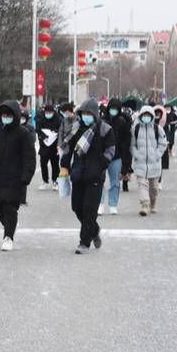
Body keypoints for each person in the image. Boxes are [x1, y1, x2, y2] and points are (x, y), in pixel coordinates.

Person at [60, 99, 115, 254]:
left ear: (95, 114)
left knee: (89, 209)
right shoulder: (76, 128)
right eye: (83, 114)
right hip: (78, 173)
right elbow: (68, 149)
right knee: (77, 207)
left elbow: (110, 150)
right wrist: (64, 165)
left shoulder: (105, 129)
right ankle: (94, 230)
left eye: (88, 114)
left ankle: (84, 242)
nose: (85, 117)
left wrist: (100, 165)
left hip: (96, 176)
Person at [0, 101, 36, 252]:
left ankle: (8, 237)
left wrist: (26, 176)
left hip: (14, 178)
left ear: (15, 115)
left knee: (10, 208)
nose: (5, 117)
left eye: (9, 115)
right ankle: (10, 224)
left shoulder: (23, 133)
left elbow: (30, 156)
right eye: (3, 115)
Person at [131, 106, 168, 216]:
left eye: (148, 115)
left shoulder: (157, 129)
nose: (146, 117)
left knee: (154, 188)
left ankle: (153, 203)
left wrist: (157, 155)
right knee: (142, 185)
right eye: (144, 115)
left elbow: (163, 143)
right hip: (140, 163)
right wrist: (137, 154)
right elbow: (132, 145)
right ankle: (144, 205)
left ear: (152, 116)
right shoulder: (135, 129)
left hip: (154, 164)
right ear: (141, 116)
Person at [100, 98, 131, 216]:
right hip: (103, 156)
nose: (113, 111)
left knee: (115, 182)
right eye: (112, 108)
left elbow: (126, 143)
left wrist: (126, 164)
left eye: (116, 109)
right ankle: (100, 203)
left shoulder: (123, 122)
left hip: (117, 156)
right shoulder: (102, 121)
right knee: (99, 181)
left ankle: (113, 204)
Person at [36, 103, 61, 191]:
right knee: (43, 164)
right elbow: (38, 130)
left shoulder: (58, 119)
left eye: (50, 112)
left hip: (54, 146)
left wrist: (54, 133)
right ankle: (45, 181)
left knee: (55, 164)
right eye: (47, 112)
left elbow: (60, 130)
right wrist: (44, 137)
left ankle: (55, 181)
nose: (48, 114)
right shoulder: (41, 118)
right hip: (44, 145)